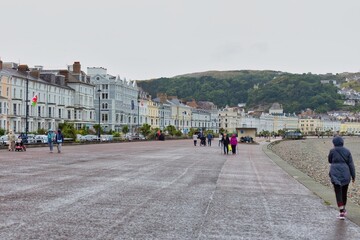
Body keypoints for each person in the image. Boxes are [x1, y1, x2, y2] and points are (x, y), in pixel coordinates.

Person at [328, 136, 356, 220]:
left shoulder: (332, 151)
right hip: (346, 173)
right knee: (344, 192)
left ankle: (341, 210)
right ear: (342, 142)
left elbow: (329, 160)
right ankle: (343, 209)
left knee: (338, 192)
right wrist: (353, 175)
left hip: (335, 174)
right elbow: (351, 164)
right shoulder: (347, 151)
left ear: (334, 143)